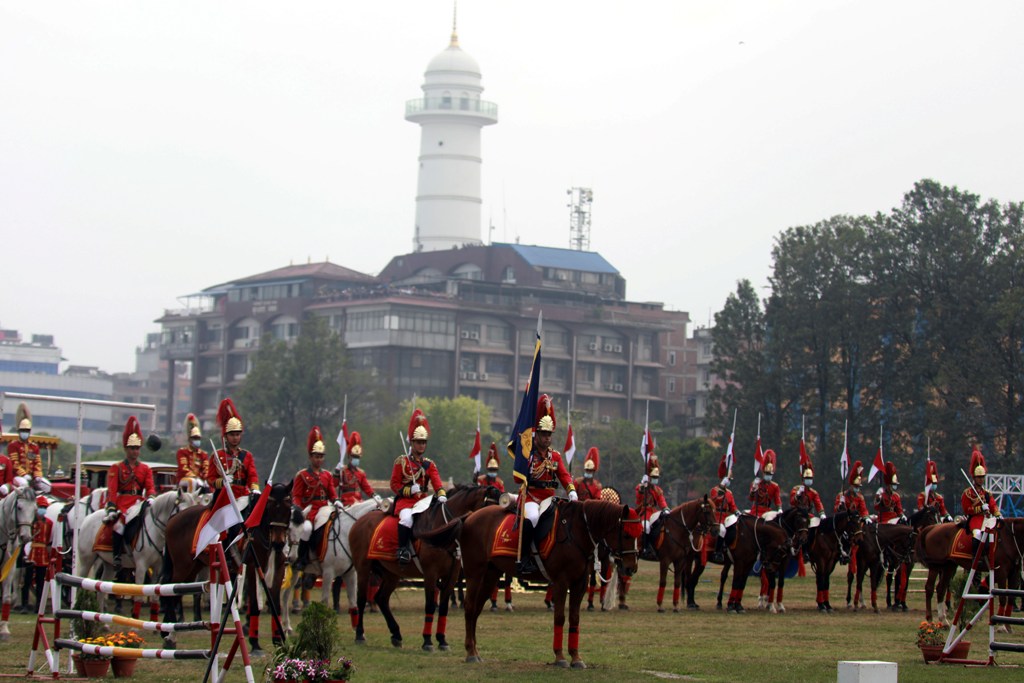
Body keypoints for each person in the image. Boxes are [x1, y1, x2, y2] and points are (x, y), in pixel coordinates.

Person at [516, 395, 576, 575]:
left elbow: (564, 476)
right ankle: (525, 557)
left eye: (549, 434)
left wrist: (571, 490)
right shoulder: (528, 455)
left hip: (549, 500)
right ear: (536, 434)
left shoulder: (555, 456)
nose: (547, 437)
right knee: (533, 518)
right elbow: (518, 479)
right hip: (532, 498)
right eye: (543, 434)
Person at [390, 409, 447, 565]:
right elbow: (394, 484)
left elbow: (437, 482)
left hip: (423, 502)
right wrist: (408, 490)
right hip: (406, 503)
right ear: (412, 443)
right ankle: (402, 550)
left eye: (424, 442)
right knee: (407, 518)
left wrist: (441, 494)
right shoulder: (401, 462)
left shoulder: (429, 464)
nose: (421, 445)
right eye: (418, 442)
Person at [103, 416, 156, 572]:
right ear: (126, 449)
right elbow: (112, 490)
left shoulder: (145, 468)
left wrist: (152, 497)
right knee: (119, 526)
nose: (135, 451)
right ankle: (117, 556)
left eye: (137, 448)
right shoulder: (116, 467)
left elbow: (150, 487)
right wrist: (112, 507)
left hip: (139, 502)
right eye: (132, 448)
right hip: (123, 502)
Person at [293, 426, 341, 573]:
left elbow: (331, 493)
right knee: (307, 529)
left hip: (323, 508)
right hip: (308, 509)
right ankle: (302, 558)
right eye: (316, 456)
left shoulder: (327, 475)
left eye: (321, 457)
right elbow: (297, 495)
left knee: (331, 527)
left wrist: (336, 500)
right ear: (310, 457)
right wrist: (298, 509)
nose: (319, 460)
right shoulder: (302, 475)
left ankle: (326, 555)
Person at [211, 398, 260, 513]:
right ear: (226, 436)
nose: (235, 438)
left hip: (243, 496)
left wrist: (254, 488)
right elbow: (211, 479)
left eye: (238, 434)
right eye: (232, 435)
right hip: (224, 497)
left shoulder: (247, 456)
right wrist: (222, 482)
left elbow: (252, 476)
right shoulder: (217, 455)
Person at [962, 448, 999, 558]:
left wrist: (998, 514)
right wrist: (980, 509)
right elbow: (966, 509)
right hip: (975, 520)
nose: (981, 479)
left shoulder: (987, 493)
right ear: (974, 477)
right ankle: (975, 559)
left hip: (987, 519)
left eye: (982, 477)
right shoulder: (968, 493)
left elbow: (993, 506)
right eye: (979, 477)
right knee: (977, 534)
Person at [636, 455, 670, 561]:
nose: (655, 480)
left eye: (656, 478)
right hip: (644, 512)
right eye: (654, 478)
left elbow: (661, 500)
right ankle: (645, 548)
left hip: (653, 512)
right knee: (645, 526)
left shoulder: (658, 490)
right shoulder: (642, 487)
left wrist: (666, 508)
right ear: (649, 477)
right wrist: (643, 487)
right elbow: (639, 498)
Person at [24, 496, 52, 613]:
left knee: (41, 582)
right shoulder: (30, 522)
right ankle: (24, 605)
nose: (42, 509)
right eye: (40, 507)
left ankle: (39, 606)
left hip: (43, 555)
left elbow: (49, 538)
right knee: (27, 580)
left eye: (44, 507)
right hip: (32, 552)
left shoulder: (50, 523)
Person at [710, 453, 739, 564]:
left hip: (726, 518)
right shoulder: (715, 490)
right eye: (728, 479)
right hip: (716, 517)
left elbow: (732, 506)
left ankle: (728, 548)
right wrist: (721, 487)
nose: (730, 481)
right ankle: (717, 552)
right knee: (721, 530)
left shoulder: (729, 493)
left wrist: (736, 511)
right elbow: (715, 500)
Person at [336, 431, 379, 507]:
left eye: (358, 457)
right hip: (346, 502)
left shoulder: (361, 473)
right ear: (349, 457)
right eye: (355, 457)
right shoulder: (343, 471)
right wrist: (336, 472)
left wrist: (373, 494)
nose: (356, 459)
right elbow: (333, 484)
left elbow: (366, 487)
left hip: (359, 501)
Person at [8, 402, 42, 483]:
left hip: (32, 476)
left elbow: (37, 463)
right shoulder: (13, 445)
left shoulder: (34, 447)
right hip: (17, 477)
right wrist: (23, 474)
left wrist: (37, 475)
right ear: (19, 431)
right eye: (23, 431)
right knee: (24, 483)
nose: (25, 432)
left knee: (46, 486)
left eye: (27, 431)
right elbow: (14, 464)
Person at [175, 413, 209, 490]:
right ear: (190, 439)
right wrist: (196, 477)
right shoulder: (182, 452)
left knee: (207, 484)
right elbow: (184, 469)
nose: (197, 440)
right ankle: (191, 501)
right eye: (195, 438)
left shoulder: (203, 454)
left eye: (198, 438)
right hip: (184, 479)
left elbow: (206, 468)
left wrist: (205, 477)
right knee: (192, 481)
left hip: (199, 479)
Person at [749, 449, 782, 517]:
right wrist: (754, 489)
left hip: (767, 510)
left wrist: (779, 509)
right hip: (756, 510)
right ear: (763, 473)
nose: (769, 476)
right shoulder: (757, 483)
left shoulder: (775, 486)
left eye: (770, 474)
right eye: (767, 474)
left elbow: (777, 500)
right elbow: (751, 498)